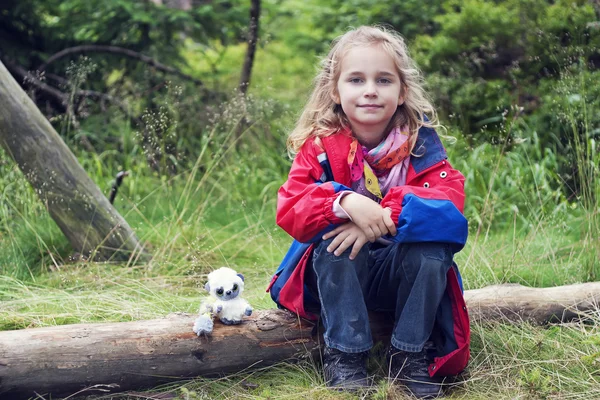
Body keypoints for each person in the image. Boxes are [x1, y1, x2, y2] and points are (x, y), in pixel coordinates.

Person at [267, 25, 470, 399]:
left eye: (384, 80)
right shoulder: (320, 148)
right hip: (338, 277)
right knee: (335, 244)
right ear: (336, 91)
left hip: (397, 275)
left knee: (433, 248)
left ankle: (408, 357)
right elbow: (291, 206)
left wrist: (382, 216)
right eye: (356, 79)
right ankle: (346, 355)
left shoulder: (422, 148)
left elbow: (450, 210)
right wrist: (344, 202)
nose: (370, 90)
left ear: (402, 91)